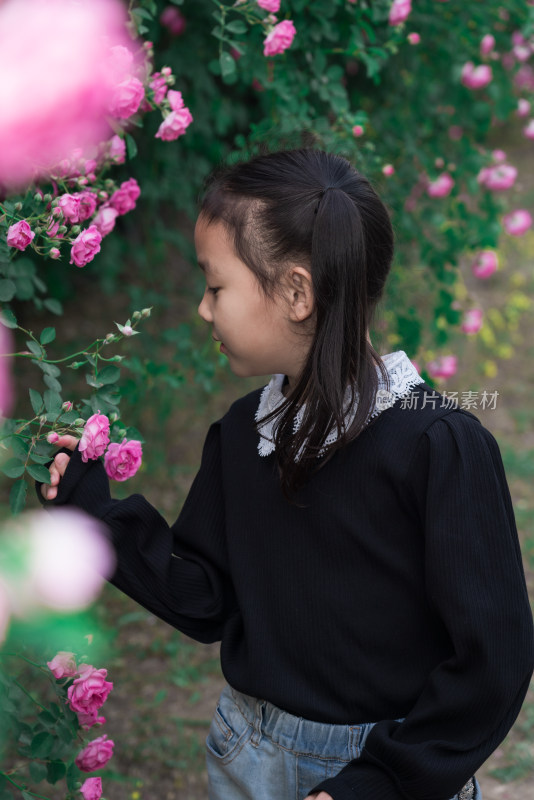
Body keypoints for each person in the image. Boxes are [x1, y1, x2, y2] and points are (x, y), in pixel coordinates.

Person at [38, 148, 534, 800]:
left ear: (297, 292)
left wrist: (378, 783)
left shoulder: (439, 447)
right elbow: (205, 594)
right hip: (254, 756)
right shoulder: (245, 435)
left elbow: (491, 660)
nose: (203, 310)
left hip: (392, 767)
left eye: (216, 287)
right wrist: (92, 510)